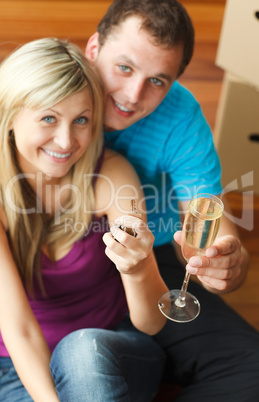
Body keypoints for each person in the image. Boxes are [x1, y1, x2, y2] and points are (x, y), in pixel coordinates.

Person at [84, 0, 259, 400]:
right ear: (94, 49)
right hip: (57, 251)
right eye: (124, 68)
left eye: (158, 81)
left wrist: (229, 260)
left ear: (175, 82)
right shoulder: (53, 86)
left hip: (153, 254)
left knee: (252, 370)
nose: (132, 95)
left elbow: (210, 216)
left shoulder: (182, 119)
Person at [0, 37, 169, 401]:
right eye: (48, 118)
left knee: (81, 351)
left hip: (109, 351)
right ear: (9, 116)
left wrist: (138, 268)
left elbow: (152, 322)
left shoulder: (111, 175)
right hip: (15, 365)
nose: (65, 141)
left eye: (81, 120)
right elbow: (19, 330)